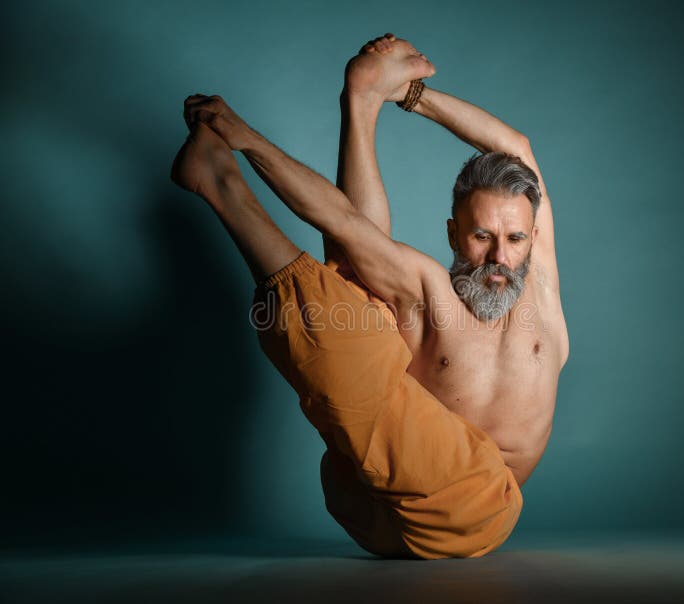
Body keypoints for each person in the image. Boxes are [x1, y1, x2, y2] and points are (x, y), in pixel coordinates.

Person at [171, 33, 568, 559]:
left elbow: (517, 149)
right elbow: (340, 221)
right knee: (358, 278)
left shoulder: (539, 285)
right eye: (481, 237)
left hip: (473, 512)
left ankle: (332, 117)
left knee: (352, 294)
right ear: (453, 235)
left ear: (533, 235)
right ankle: (225, 183)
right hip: (373, 498)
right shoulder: (426, 290)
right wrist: (246, 139)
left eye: (515, 238)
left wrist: (407, 95)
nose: (500, 256)